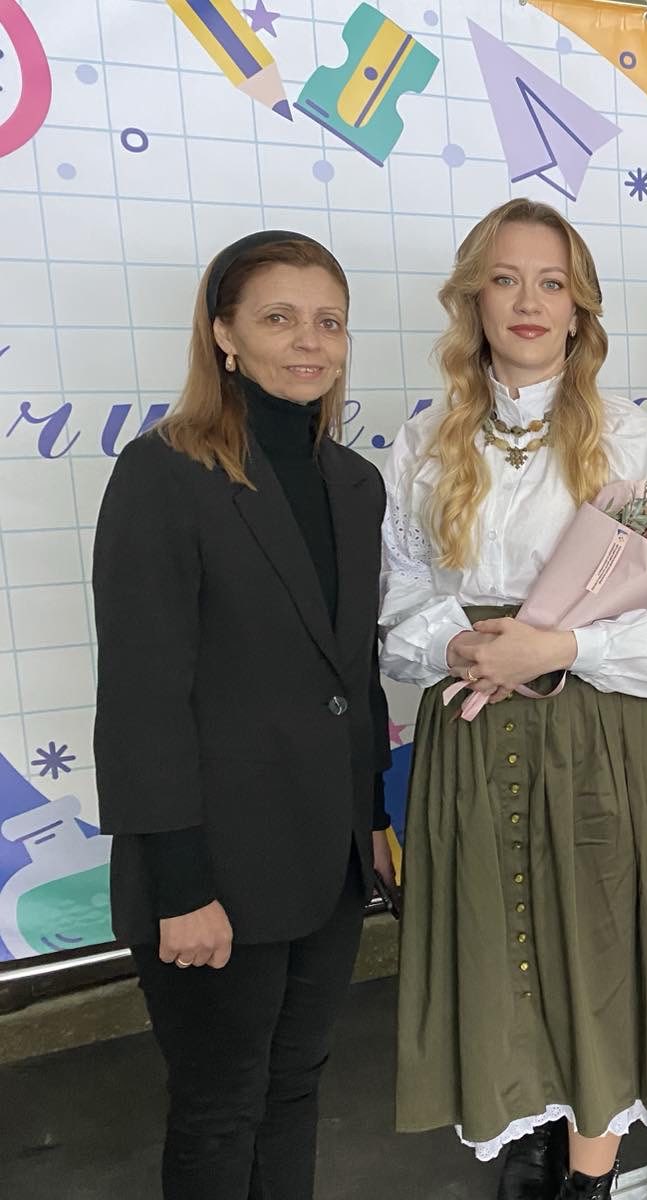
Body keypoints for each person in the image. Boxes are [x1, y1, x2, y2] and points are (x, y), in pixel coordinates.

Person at [378, 200, 647, 1200]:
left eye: (551, 283)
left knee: (598, 944)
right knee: (497, 942)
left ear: (579, 308)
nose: (529, 301)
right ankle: (525, 1139)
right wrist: (464, 643)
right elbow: (396, 600)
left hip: (597, 727)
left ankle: (590, 1177)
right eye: (506, 278)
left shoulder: (633, 439)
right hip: (472, 723)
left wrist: (557, 645)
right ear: (473, 298)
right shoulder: (426, 440)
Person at [93, 230, 392, 1199]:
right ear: (224, 334)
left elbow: (353, 668)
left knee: (295, 1087)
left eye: (329, 322)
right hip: (214, 867)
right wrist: (179, 885)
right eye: (279, 318)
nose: (310, 341)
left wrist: (372, 821)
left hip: (329, 859)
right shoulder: (163, 473)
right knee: (221, 1109)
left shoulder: (355, 483)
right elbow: (140, 697)